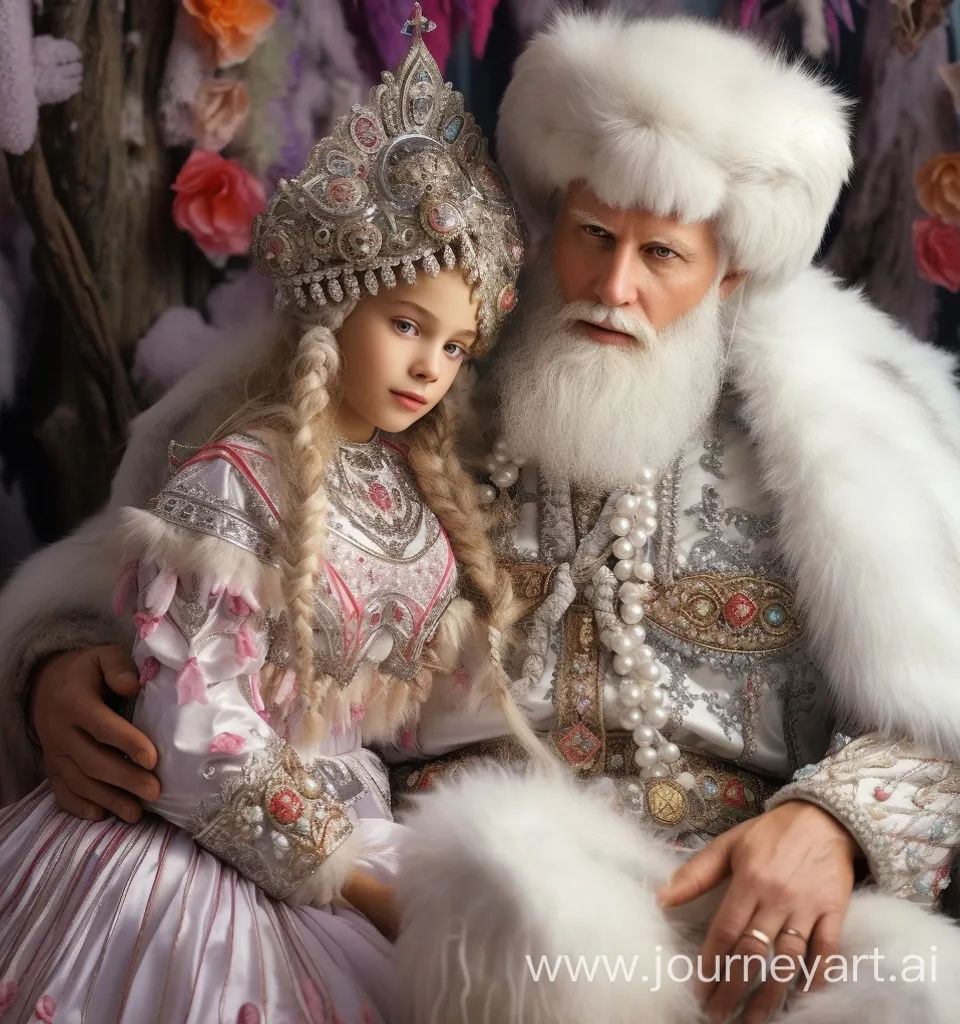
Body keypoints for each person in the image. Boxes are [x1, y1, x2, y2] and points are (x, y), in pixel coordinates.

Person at [3, 9, 960, 1024]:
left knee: (923, 991)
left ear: (729, 271)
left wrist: (832, 822)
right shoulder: (430, 357)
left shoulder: (843, 425)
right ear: (556, 219)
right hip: (457, 892)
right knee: (529, 919)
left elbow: (938, 713)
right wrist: (54, 668)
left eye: (662, 255)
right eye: (594, 235)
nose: (613, 287)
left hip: (736, 909)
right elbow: (187, 567)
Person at [0, 7, 535, 1021]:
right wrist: (366, 886)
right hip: (200, 849)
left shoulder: (418, 509)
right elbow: (195, 733)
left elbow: (429, 717)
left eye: (457, 345)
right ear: (339, 305)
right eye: (407, 323)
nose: (430, 364)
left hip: (358, 832)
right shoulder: (231, 480)